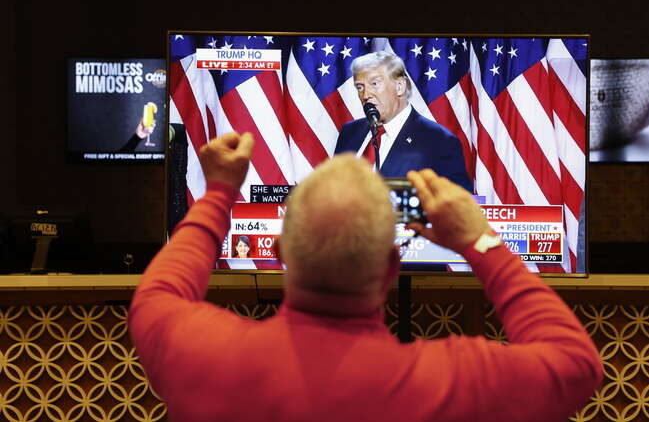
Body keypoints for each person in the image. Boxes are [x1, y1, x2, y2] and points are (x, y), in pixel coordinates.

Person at [129, 131, 603, 422]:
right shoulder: (452, 383)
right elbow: (576, 362)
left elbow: (158, 293)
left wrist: (218, 194)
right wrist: (481, 242)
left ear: (278, 252)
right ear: (391, 266)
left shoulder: (201, 355)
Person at [334, 51, 473, 192]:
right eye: (360, 87)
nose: (366, 95)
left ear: (399, 86)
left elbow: (460, 205)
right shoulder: (349, 133)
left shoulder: (439, 142)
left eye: (374, 83)